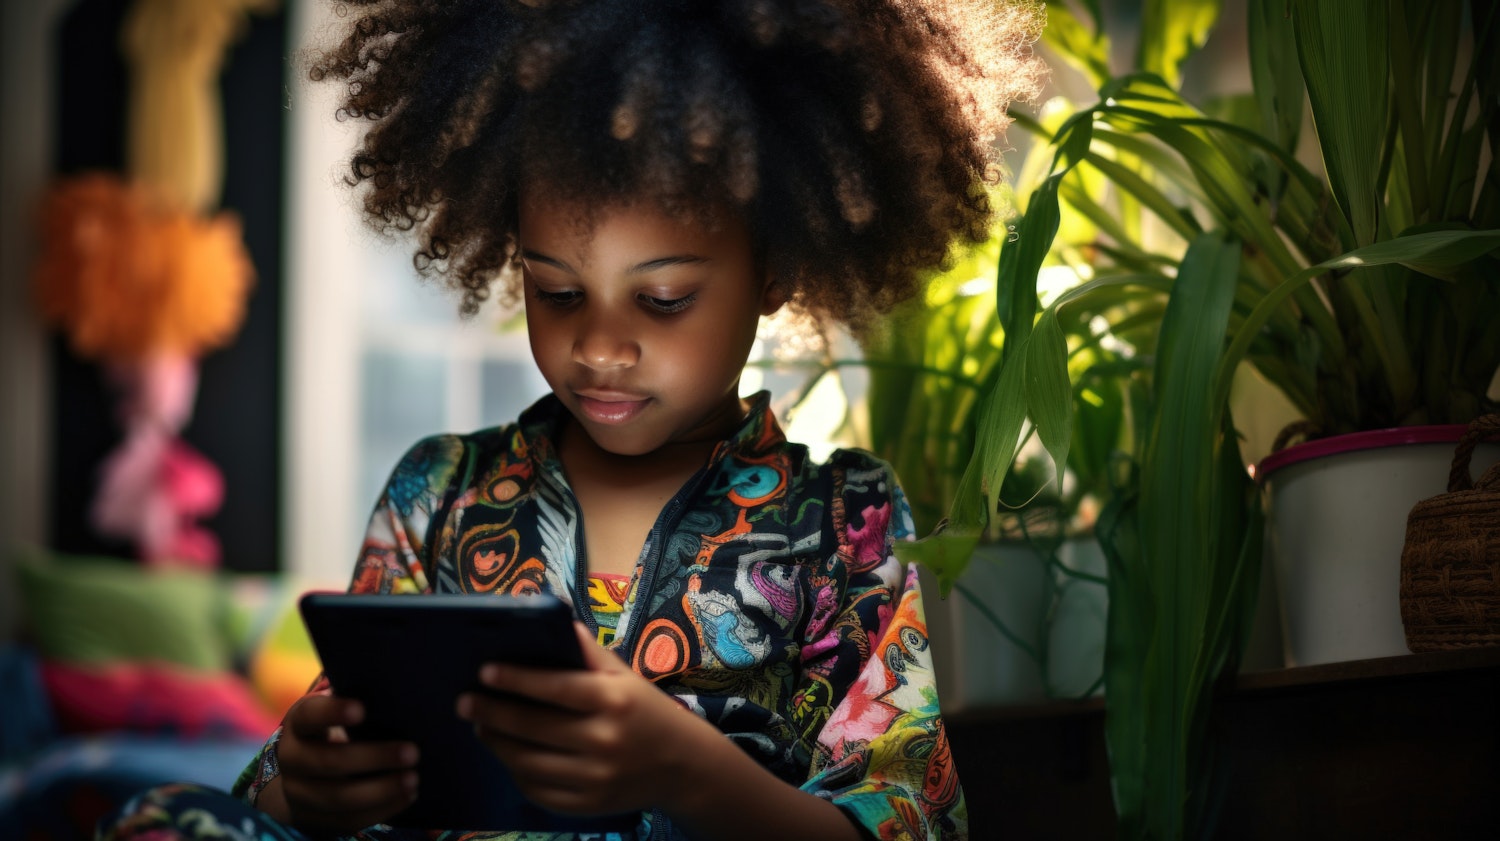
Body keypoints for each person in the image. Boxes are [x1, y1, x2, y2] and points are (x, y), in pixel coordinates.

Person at [100, 0, 1043, 839]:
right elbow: (323, 753)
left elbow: (912, 820)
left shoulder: (849, 521)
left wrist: (684, 768)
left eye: (663, 297)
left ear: (773, 270)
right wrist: (303, 783)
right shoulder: (439, 491)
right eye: (555, 290)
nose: (599, 345)